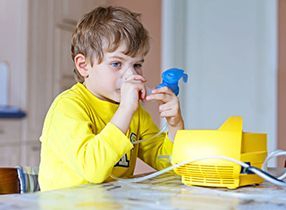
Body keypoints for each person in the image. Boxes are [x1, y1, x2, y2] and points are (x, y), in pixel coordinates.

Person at [38, 6, 184, 191]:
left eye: (137, 64)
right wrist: (124, 111)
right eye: (116, 63)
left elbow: (170, 166)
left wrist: (174, 125)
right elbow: (93, 170)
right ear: (84, 66)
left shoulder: (135, 113)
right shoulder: (68, 108)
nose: (131, 75)